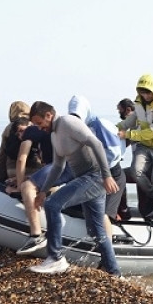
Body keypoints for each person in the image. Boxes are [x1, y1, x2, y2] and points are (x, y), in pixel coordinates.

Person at [28, 101, 121, 276]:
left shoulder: (68, 122)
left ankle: (55, 258)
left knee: (53, 205)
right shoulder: (55, 134)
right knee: (96, 230)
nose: (39, 128)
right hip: (85, 178)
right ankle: (114, 273)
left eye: (39, 123)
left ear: (49, 115)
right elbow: (57, 166)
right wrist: (43, 191)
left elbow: (96, 144)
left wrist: (106, 175)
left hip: (95, 176)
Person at [116, 74, 153, 224]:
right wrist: (116, 128)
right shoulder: (138, 102)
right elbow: (131, 120)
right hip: (145, 145)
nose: (146, 95)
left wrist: (128, 134)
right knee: (136, 172)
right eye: (142, 92)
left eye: (148, 92)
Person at [14, 116, 73, 255]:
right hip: (73, 163)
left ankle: (36, 235)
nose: (20, 135)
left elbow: (21, 159)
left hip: (63, 166)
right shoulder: (51, 130)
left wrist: (19, 184)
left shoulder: (30, 132)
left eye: (20, 131)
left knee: (27, 187)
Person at [68, 95, 127, 232]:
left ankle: (108, 246)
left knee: (104, 215)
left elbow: (113, 153)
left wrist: (98, 169)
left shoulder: (99, 125)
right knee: (73, 207)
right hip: (91, 175)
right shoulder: (76, 128)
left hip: (112, 175)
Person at [0, 101, 41, 182]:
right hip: (35, 170)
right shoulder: (34, 124)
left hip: (13, 171)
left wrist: (2, 179)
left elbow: (1, 158)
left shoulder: (9, 128)